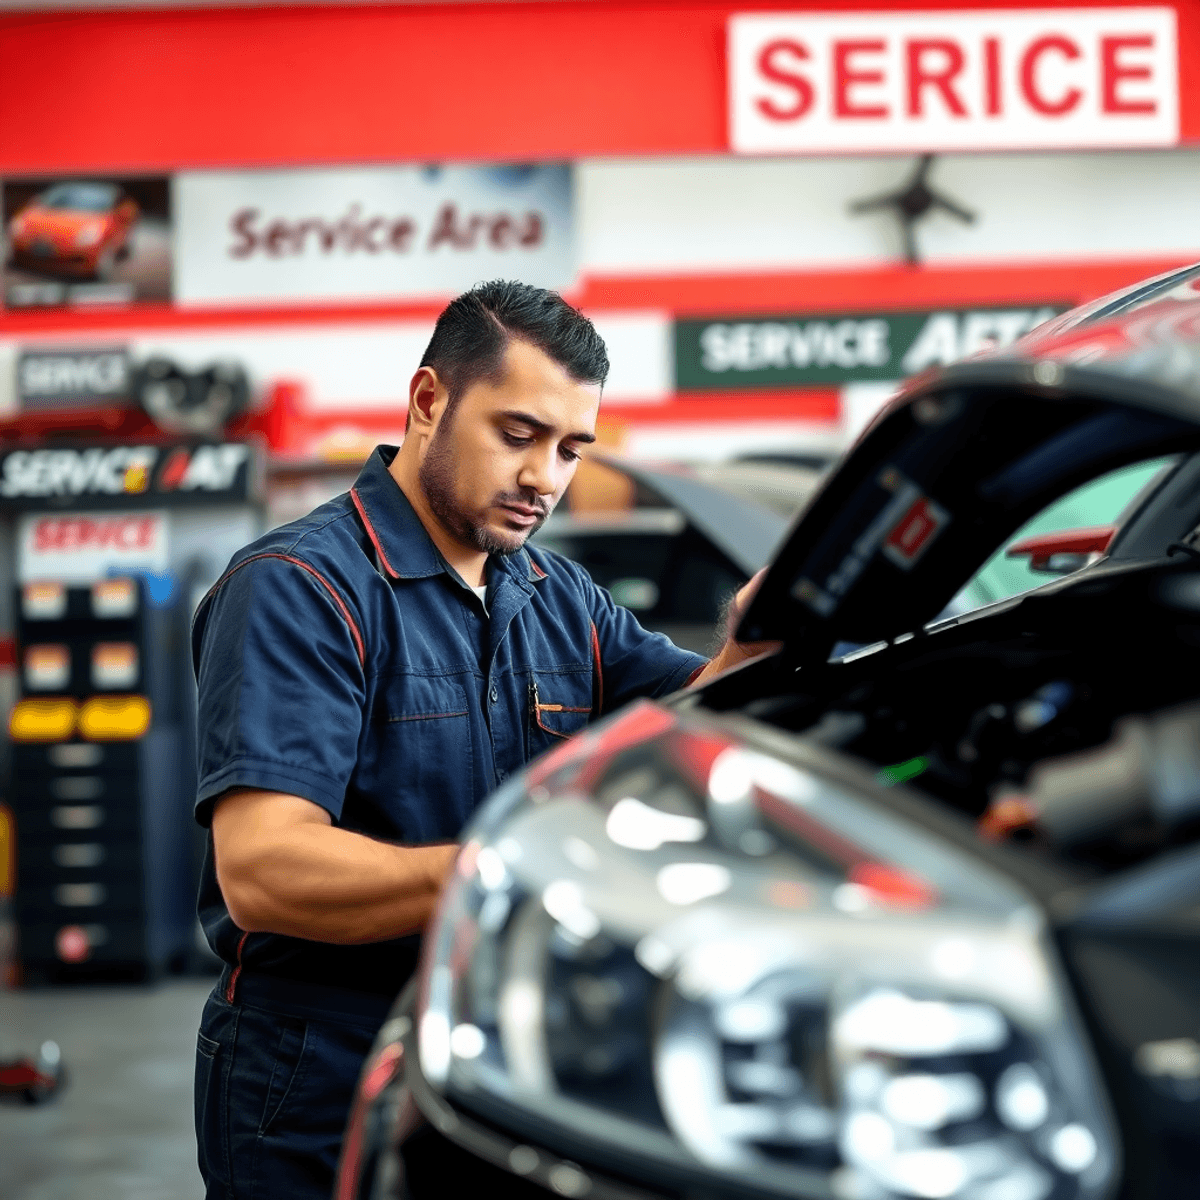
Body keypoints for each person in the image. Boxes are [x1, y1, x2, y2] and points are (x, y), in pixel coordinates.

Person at [191, 280, 774, 1199]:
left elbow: (696, 722)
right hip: (317, 1065)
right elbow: (266, 872)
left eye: (571, 449)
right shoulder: (299, 588)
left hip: (492, 1042)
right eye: (518, 435)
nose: (546, 477)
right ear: (429, 402)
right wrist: (525, 874)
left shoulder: (554, 592)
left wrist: (759, 640)